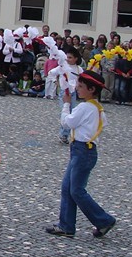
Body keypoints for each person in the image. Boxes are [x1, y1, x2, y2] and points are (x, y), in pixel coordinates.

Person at [45, 70, 116, 239]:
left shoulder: (85, 107)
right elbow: (102, 123)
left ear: (91, 89)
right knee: (68, 188)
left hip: (82, 150)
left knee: (76, 190)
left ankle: (103, 220)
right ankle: (66, 225)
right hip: (85, 149)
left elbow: (67, 122)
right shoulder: (97, 108)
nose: (77, 88)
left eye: (81, 86)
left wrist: (66, 104)